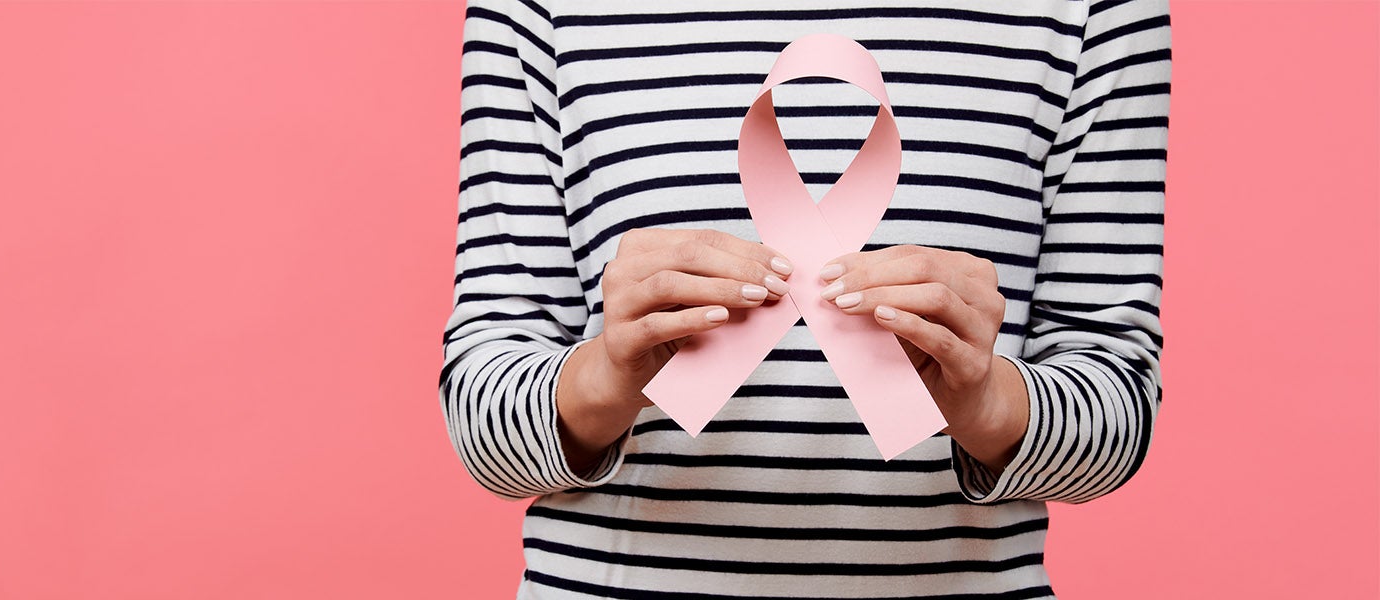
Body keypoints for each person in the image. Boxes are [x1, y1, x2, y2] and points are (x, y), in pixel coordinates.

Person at [440, 0, 1170, 597]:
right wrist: (607, 376)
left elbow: (1119, 411)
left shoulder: (1091, 11)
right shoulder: (542, 11)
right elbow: (481, 426)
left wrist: (986, 402)